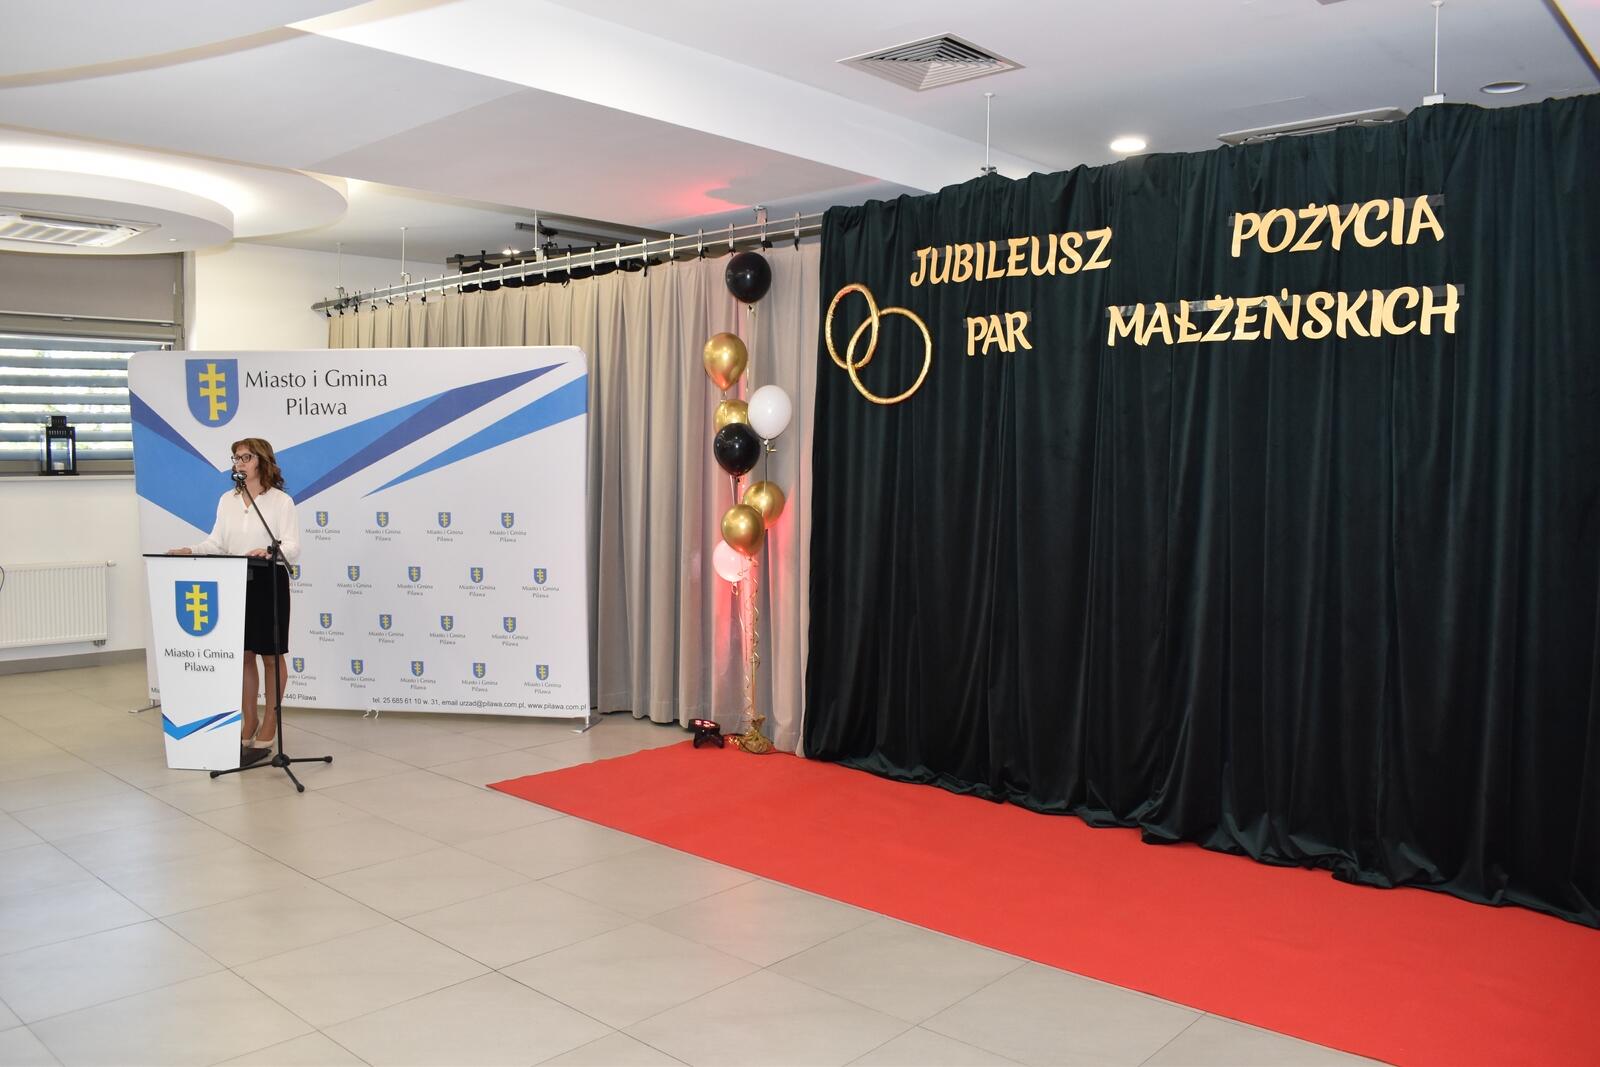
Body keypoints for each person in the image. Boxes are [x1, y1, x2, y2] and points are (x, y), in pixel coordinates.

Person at [170, 438, 299, 764]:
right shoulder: (227, 500)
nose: (238, 463)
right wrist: (190, 550)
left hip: (268, 581)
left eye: (245, 457)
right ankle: (248, 720)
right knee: (244, 656)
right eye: (235, 458)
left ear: (261, 461)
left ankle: (270, 721)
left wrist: (268, 551)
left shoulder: (280, 501)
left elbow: (292, 547)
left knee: (271, 657)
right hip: (235, 581)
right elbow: (216, 543)